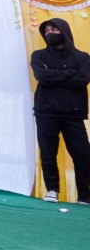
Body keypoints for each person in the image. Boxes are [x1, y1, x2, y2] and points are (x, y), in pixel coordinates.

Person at [31, 18, 90, 204]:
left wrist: (53, 74)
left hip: (73, 113)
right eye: (47, 30)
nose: (49, 32)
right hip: (46, 111)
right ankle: (52, 190)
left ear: (64, 31)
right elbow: (42, 76)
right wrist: (70, 72)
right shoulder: (39, 55)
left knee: (83, 154)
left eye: (54, 29)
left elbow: (83, 79)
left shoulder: (82, 57)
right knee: (48, 152)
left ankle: (85, 196)